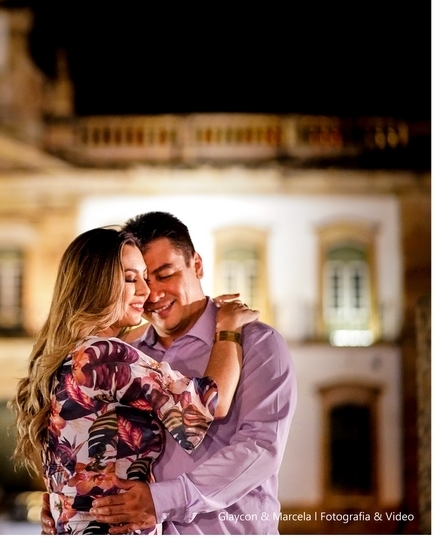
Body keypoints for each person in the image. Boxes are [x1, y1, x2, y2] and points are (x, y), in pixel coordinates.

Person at [41, 212, 297, 534]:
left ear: (197, 265)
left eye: (165, 274)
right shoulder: (124, 354)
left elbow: (260, 449)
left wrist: (162, 499)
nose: (151, 292)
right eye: (136, 278)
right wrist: (65, 497)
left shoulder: (258, 343)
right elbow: (208, 404)